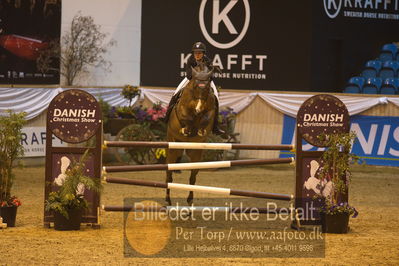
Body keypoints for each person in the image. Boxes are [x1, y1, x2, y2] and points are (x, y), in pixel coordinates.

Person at [165, 41, 225, 136]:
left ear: (203, 53)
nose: (197, 55)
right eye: (195, 53)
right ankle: (167, 116)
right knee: (176, 92)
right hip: (191, 80)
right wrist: (197, 73)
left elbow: (211, 76)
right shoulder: (190, 60)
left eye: (199, 53)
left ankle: (216, 126)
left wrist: (208, 73)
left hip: (205, 82)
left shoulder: (208, 61)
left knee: (216, 98)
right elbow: (188, 74)